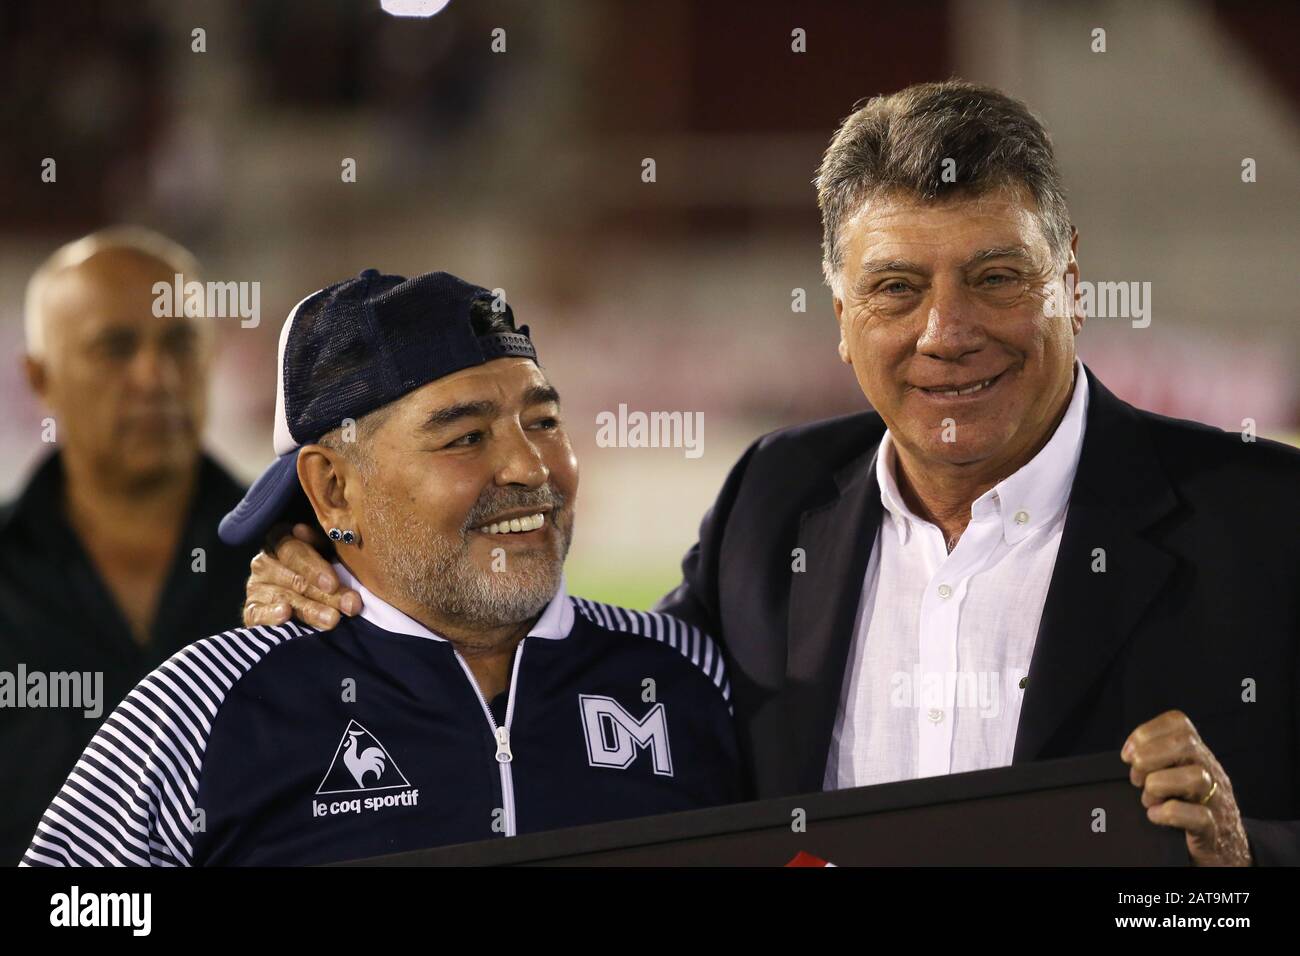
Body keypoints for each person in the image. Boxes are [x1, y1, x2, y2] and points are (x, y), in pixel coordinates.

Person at [244, 82, 1300, 866]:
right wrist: (347, 571)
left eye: (995, 276)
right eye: (895, 287)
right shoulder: (777, 500)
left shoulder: (1266, 524)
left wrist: (1244, 857)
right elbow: (603, 691)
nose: (947, 332)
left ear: (1069, 277)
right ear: (839, 314)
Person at [21, 269, 741, 866]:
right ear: (335, 487)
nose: (529, 466)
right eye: (465, 437)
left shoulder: (688, 676)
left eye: (544, 422)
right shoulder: (197, 710)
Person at [0, 228, 257, 865]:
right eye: (116, 348)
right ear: (40, 378)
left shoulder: (307, 554)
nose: (155, 376)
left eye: (179, 342)